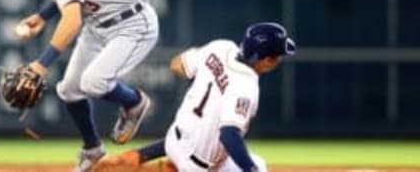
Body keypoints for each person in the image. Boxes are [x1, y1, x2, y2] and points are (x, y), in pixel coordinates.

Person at [0, 0, 159, 172]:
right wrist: (42, 16)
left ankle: (134, 102)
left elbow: (72, 22)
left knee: (93, 83)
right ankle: (93, 150)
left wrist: (41, 65)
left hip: (132, 24)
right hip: (97, 26)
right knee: (69, 91)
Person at [98, 22, 296, 172]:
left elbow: (176, 65)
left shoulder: (220, 48)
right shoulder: (246, 86)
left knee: (258, 164)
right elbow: (229, 135)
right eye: (278, 56)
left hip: (173, 141)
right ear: (267, 60)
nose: (278, 60)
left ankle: (141, 157)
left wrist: (208, 68)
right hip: (199, 166)